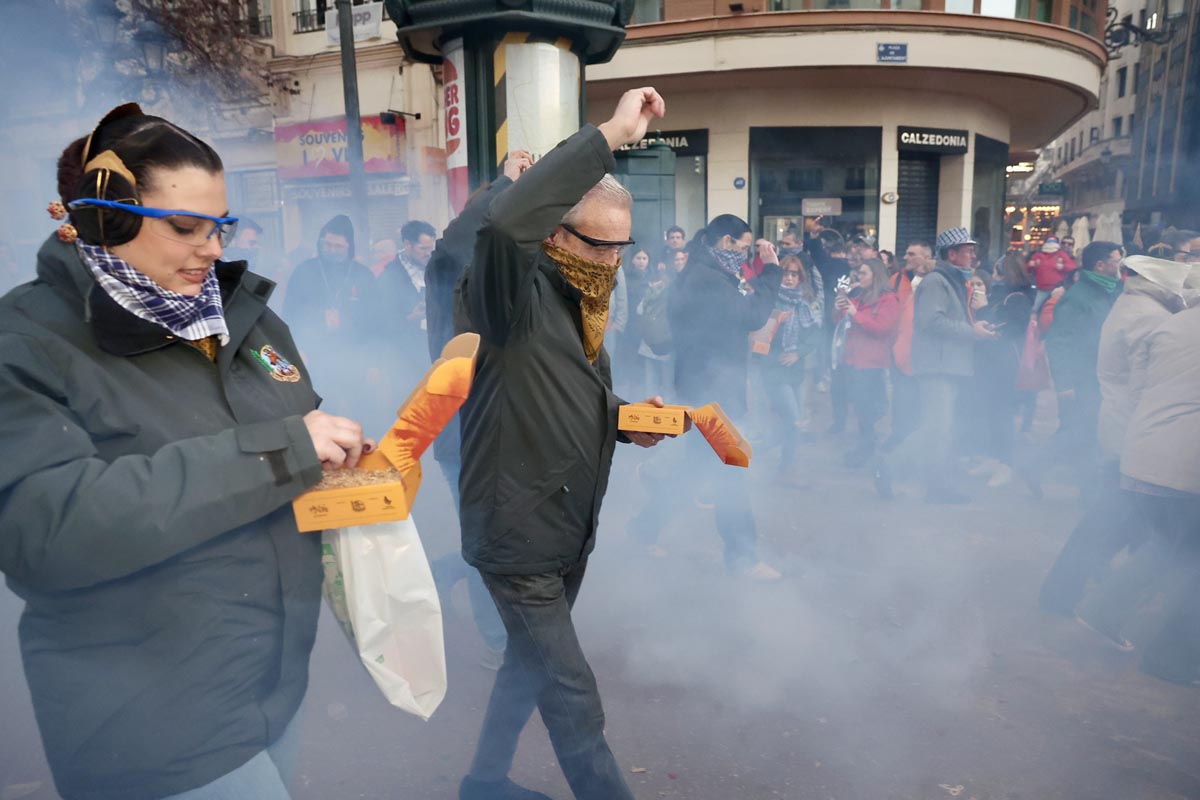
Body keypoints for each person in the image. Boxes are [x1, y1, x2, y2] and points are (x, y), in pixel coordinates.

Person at [0, 103, 370, 800]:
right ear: (102, 221)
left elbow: (295, 426)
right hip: (145, 718)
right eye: (185, 227)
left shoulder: (242, 317)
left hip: (268, 687)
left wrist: (339, 459)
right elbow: (43, 530)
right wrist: (282, 453)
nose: (211, 249)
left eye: (220, 226)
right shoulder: (23, 342)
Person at [456, 87, 673, 800]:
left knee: (528, 668)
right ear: (553, 232)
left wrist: (621, 417)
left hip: (565, 525)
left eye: (622, 247)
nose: (612, 262)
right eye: (596, 244)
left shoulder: (583, 303)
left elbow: (561, 396)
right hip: (515, 532)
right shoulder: (506, 292)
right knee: (571, 693)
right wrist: (609, 134)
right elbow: (502, 226)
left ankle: (483, 781)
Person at [424, 150, 534, 671]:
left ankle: (445, 572)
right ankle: (497, 642)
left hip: (505, 429)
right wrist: (504, 183)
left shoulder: (503, 274)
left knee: (502, 535)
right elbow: (460, 239)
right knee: (488, 542)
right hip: (463, 432)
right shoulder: (448, 263)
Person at [1039, 255, 1192, 616]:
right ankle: (1082, 599)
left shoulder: (1134, 305)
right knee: (1114, 523)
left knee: (1113, 521)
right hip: (1132, 430)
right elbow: (1146, 384)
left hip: (1124, 426)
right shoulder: (1150, 316)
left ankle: (1075, 594)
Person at [1074, 297, 1200, 683]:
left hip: (1144, 451)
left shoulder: (1172, 324)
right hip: (1184, 462)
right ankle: (1172, 659)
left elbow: (1140, 386)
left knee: (1169, 549)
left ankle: (1103, 610)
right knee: (1188, 562)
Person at [875, 227, 997, 503]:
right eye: (967, 250)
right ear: (951, 254)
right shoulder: (937, 281)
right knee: (936, 429)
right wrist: (972, 332)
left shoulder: (950, 280)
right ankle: (892, 466)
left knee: (939, 429)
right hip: (937, 365)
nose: (972, 254)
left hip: (947, 364)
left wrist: (974, 325)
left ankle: (934, 485)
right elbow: (931, 322)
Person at [1026, 241, 1124, 496]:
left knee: (1084, 431)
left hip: (1097, 374)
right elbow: (1059, 341)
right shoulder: (1078, 296)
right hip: (1082, 376)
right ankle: (1034, 466)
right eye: (1116, 260)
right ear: (1100, 265)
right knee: (1081, 431)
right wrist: (1065, 383)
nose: (1120, 265)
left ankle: (1080, 486)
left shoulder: (1110, 290)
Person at [283, 213, 378, 421]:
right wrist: (297, 349)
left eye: (338, 247)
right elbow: (289, 314)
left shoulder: (363, 275)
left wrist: (373, 361)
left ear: (349, 247)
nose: (332, 251)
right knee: (322, 412)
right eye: (328, 245)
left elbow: (374, 321)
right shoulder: (304, 271)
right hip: (315, 356)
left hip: (356, 355)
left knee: (364, 413)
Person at [761, 252, 823, 483]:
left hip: (795, 371)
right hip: (774, 371)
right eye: (786, 273)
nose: (789, 278)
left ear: (800, 277)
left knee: (791, 424)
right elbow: (760, 341)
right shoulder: (770, 300)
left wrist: (798, 353)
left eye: (794, 274)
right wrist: (776, 324)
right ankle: (783, 469)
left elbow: (816, 335)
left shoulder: (803, 304)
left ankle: (766, 456)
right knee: (794, 421)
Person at [835, 257, 899, 467]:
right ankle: (865, 449)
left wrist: (856, 315)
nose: (859, 277)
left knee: (868, 411)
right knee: (860, 410)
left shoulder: (889, 299)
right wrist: (839, 307)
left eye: (863, 273)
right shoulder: (860, 297)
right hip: (853, 360)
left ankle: (871, 452)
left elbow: (883, 328)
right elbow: (839, 321)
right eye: (859, 273)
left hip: (873, 363)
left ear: (875, 275)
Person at [886, 240, 934, 450]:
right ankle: (899, 443)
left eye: (912, 254)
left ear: (926, 257)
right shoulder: (897, 279)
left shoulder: (935, 281)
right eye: (906, 253)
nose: (906, 257)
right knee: (901, 404)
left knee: (921, 407)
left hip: (924, 358)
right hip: (899, 354)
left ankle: (914, 450)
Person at [1028, 236, 1077, 313]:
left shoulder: (1061, 254)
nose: (1066, 245)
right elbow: (1028, 269)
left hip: (1056, 288)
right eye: (1064, 243)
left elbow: (1073, 267)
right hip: (1042, 289)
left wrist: (1063, 266)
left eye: (1069, 244)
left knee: (1055, 309)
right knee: (1036, 309)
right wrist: (1031, 265)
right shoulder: (1038, 255)